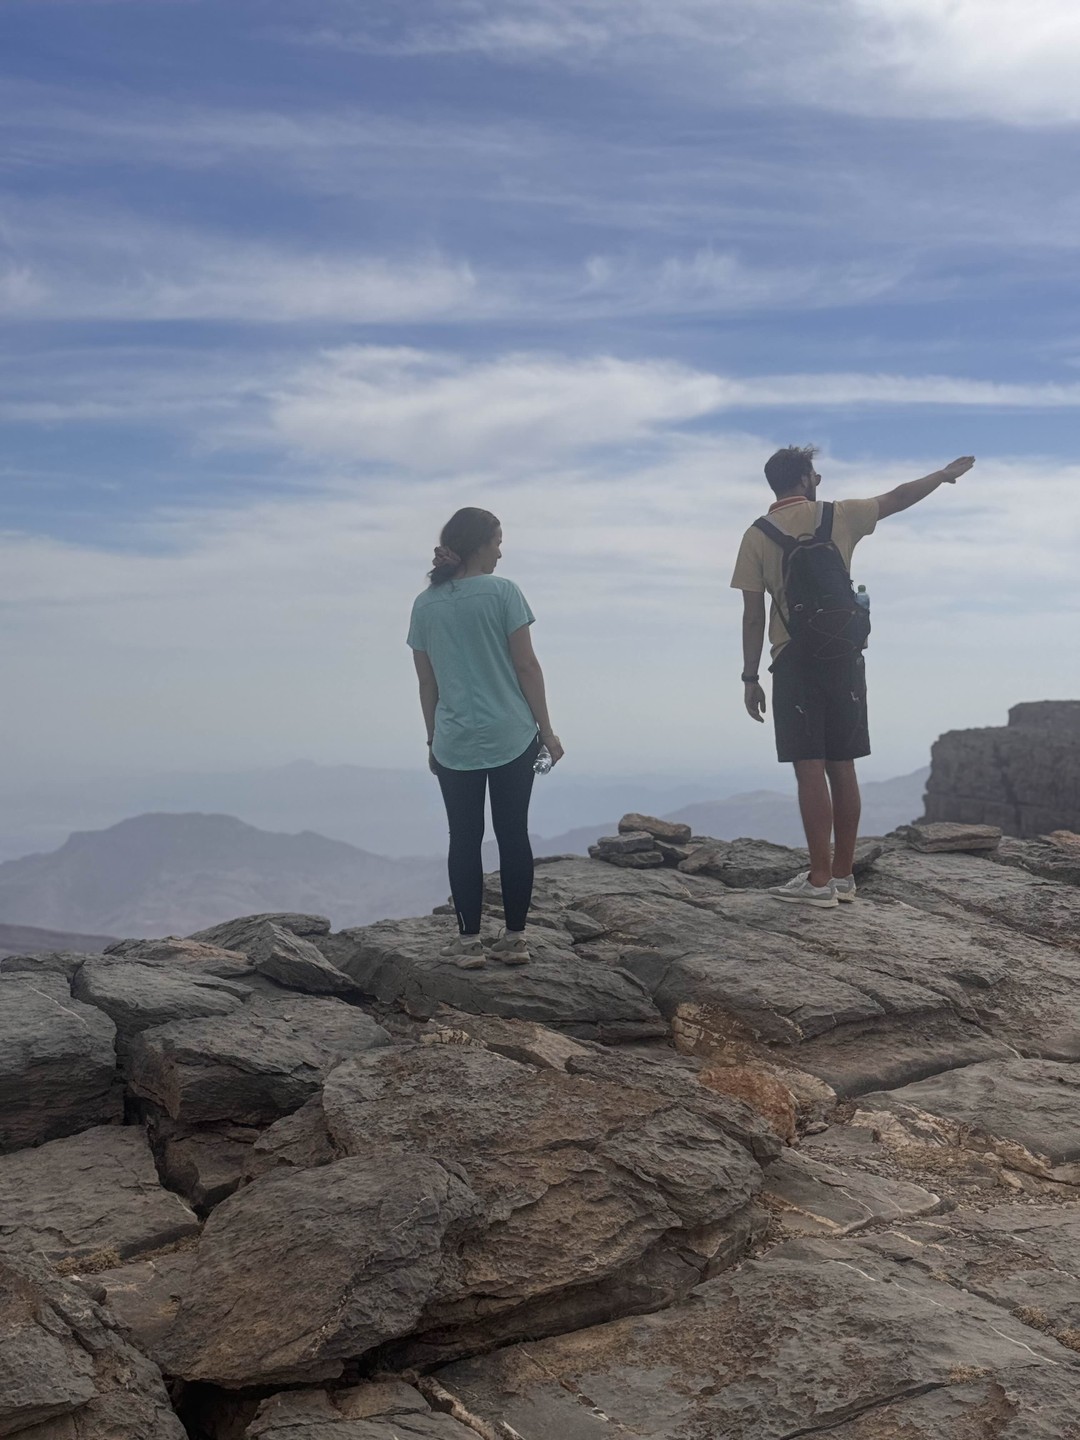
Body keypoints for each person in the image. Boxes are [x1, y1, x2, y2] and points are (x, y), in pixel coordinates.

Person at [731, 446, 975, 908]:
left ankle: (817, 881)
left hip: (793, 659)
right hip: (844, 656)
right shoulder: (838, 515)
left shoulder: (756, 535)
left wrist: (749, 676)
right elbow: (899, 496)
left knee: (809, 768)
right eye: (814, 473)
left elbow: (751, 615)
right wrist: (941, 475)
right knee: (843, 765)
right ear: (804, 479)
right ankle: (841, 876)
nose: (818, 478)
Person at [407, 508, 564, 967]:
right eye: (497, 540)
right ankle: (515, 940)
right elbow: (526, 666)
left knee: (464, 837)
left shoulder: (425, 604)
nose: (500, 549)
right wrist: (548, 731)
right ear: (478, 544)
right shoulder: (504, 593)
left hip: (455, 740)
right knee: (513, 834)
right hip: (512, 733)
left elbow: (427, 683)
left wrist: (432, 738)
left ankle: (469, 942)